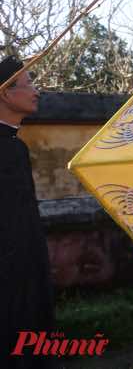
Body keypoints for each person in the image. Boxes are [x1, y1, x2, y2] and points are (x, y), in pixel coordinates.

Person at [0, 56, 54, 368]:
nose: (36, 91)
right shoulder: (7, 150)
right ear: (6, 93)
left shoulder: (14, 145)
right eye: (28, 83)